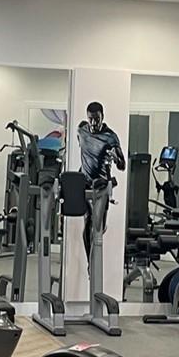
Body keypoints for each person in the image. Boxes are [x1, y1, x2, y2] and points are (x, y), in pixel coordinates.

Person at [75, 101, 124, 260]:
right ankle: (91, 264)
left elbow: (122, 165)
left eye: (97, 119)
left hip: (102, 185)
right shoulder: (81, 129)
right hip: (85, 183)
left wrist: (116, 158)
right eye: (90, 118)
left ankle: (94, 261)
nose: (93, 122)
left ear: (103, 116)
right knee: (89, 221)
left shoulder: (110, 137)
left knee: (99, 227)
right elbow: (82, 145)